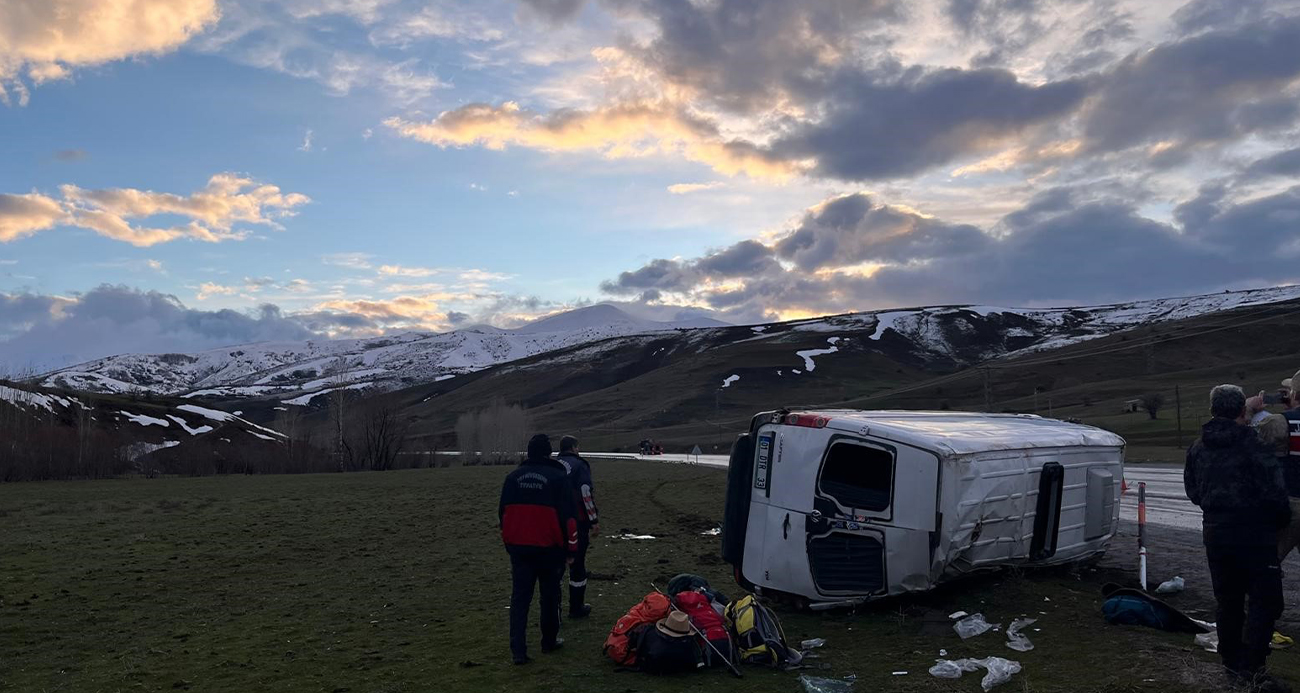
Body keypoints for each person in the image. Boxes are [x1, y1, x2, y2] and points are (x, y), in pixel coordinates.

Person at [1185, 384, 1292, 692]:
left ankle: (1231, 664)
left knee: (1228, 601)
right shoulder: (1255, 445)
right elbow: (1276, 494)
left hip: (1216, 533)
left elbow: (1193, 490)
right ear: (1241, 411)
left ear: (1212, 410)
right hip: (1255, 535)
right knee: (1266, 601)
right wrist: (1278, 522)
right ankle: (1253, 669)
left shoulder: (1198, 447)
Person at [499, 434, 578, 665]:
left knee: (520, 599)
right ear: (548, 453)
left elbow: (502, 513)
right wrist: (571, 550)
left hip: (519, 548)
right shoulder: (558, 478)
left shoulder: (512, 478)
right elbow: (569, 518)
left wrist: (509, 543)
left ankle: (518, 650)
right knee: (550, 596)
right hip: (550, 549)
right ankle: (549, 641)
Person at [556, 435, 599, 618]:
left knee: (556, 567)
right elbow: (585, 492)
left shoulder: (553, 465)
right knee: (578, 564)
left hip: (554, 521)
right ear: (574, 448)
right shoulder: (580, 465)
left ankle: (554, 610)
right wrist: (593, 519)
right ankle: (576, 607)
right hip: (577, 521)